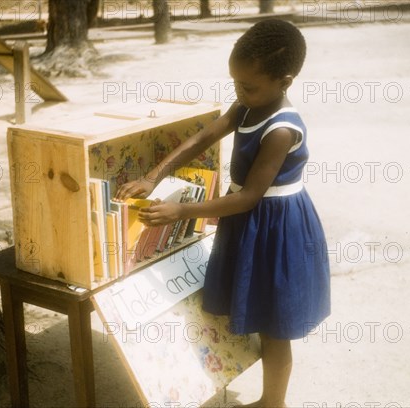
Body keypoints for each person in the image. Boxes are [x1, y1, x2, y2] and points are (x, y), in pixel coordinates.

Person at [115, 19, 331, 408]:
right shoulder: (247, 104)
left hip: (276, 226)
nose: (240, 92)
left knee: (273, 326)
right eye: (235, 84)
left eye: (248, 86)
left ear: (285, 82)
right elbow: (203, 137)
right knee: (249, 303)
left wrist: (181, 210)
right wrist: (152, 176)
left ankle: (273, 402)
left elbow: (249, 196)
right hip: (248, 221)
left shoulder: (282, 129)